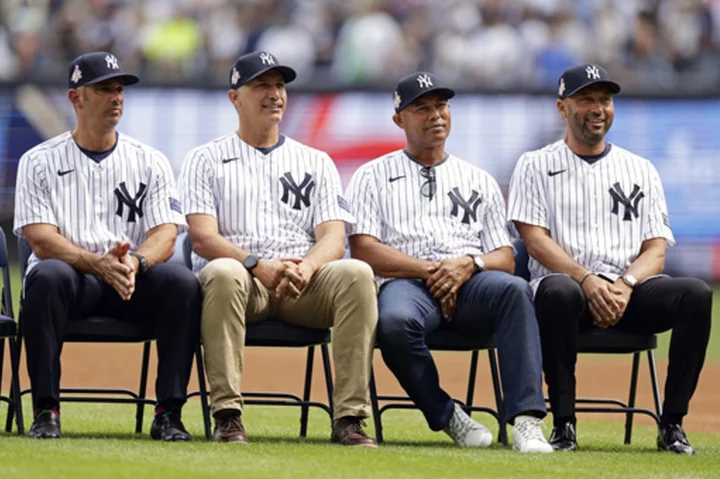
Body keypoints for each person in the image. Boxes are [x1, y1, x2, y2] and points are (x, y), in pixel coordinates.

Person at [507, 64, 712, 455]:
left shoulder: (640, 168)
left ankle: (672, 425)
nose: (598, 108)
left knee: (697, 295)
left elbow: (656, 249)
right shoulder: (534, 164)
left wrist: (625, 285)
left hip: (627, 291)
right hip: (565, 293)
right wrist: (587, 280)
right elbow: (534, 240)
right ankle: (564, 424)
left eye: (605, 99)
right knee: (559, 291)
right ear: (562, 108)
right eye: (586, 99)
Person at [345, 71, 553, 453]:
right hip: (405, 282)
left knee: (515, 290)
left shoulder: (478, 178)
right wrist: (434, 271)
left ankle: (526, 420)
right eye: (421, 108)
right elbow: (364, 249)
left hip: (472, 283)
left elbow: (505, 257)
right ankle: (447, 415)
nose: (435, 115)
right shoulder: (371, 176)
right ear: (399, 120)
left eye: (441, 105)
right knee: (393, 323)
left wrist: (468, 266)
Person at [178, 51, 378, 446]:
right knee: (221, 271)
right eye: (262, 85)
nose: (275, 94)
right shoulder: (204, 159)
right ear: (235, 98)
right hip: (242, 283)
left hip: (303, 285)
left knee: (358, 273)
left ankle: (350, 419)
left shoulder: (315, 160)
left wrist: (305, 267)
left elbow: (334, 238)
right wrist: (257, 265)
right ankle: (227, 415)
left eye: (280, 85)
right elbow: (202, 237)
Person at [13, 52, 202, 441]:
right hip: (71, 281)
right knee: (46, 275)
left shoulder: (149, 159)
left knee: (182, 282)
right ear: (76, 98)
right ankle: (46, 410)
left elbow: (166, 233)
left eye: (119, 89)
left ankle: (169, 413)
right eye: (104, 89)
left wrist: (135, 262)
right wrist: (97, 263)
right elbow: (40, 238)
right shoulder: (38, 160)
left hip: (129, 280)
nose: (116, 97)